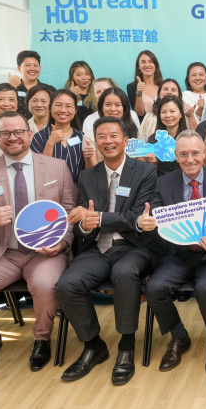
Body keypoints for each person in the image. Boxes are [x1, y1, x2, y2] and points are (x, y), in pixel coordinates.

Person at [0, 111, 77, 378]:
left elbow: (70, 214)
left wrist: (62, 243)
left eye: (19, 132)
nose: (13, 138)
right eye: (5, 133)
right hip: (2, 253)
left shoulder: (57, 167)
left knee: (46, 285)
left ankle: (42, 338)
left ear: (30, 134)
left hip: (45, 253)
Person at [56, 116, 158, 385]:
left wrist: (99, 218)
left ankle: (126, 346)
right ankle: (93, 345)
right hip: (97, 247)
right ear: (95, 142)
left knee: (125, 274)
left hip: (133, 246)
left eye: (114, 136)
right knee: (67, 284)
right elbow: (80, 223)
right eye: (102, 136)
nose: (108, 141)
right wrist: (85, 225)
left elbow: (137, 217)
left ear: (126, 140)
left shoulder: (145, 172)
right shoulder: (86, 176)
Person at [139, 130, 206, 374]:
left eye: (195, 153)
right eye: (184, 154)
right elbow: (155, 216)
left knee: (205, 287)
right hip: (178, 255)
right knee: (154, 288)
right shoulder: (163, 183)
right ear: (175, 156)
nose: (190, 159)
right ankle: (179, 335)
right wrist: (146, 222)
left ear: (204, 154)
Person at [31, 89, 96, 183]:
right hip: (49, 187)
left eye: (68, 106)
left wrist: (89, 158)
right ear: (50, 108)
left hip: (77, 189)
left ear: (75, 110)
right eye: (58, 105)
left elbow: (90, 172)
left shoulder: (83, 137)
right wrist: (50, 143)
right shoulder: (39, 137)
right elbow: (38, 169)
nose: (63, 110)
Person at [82, 87, 140, 163]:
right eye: (108, 104)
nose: (112, 109)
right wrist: (88, 158)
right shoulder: (90, 136)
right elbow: (92, 168)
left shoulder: (135, 131)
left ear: (124, 108)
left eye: (118, 105)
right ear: (101, 107)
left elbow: (142, 163)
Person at [141, 95, 188, 177]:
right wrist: (152, 163)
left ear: (181, 114)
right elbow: (151, 173)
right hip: (161, 181)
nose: (168, 115)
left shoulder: (189, 138)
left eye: (172, 111)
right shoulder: (153, 139)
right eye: (163, 112)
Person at [9, 50, 45, 119]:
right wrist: (10, 88)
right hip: (15, 125)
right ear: (19, 68)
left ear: (40, 68)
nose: (32, 69)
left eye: (35, 65)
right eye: (27, 65)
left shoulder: (49, 89)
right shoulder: (12, 88)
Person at [127, 50, 163, 117]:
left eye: (150, 61)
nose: (147, 65)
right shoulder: (131, 87)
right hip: (144, 123)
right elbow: (139, 114)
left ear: (155, 66)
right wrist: (138, 93)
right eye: (143, 62)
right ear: (139, 67)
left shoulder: (164, 86)